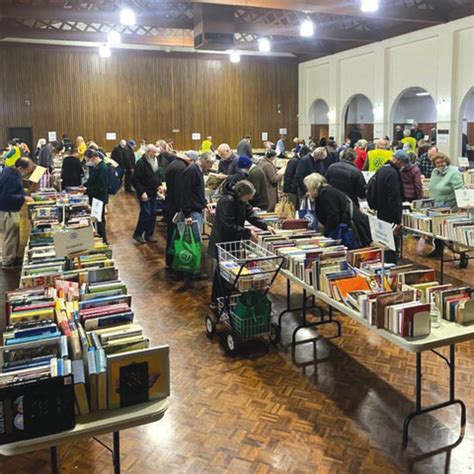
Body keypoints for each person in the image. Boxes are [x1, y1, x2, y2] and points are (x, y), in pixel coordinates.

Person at [208, 180, 273, 308]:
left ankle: (224, 298)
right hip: (222, 241)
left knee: (227, 270)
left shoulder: (240, 200)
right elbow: (228, 225)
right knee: (222, 271)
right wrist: (247, 233)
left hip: (231, 241)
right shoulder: (227, 201)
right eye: (249, 196)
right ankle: (217, 300)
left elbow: (250, 215)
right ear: (242, 193)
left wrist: (266, 226)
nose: (250, 199)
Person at [304, 173, 370, 247]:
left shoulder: (326, 193)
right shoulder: (326, 191)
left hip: (348, 230)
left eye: (308, 188)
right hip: (348, 226)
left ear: (312, 186)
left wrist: (326, 234)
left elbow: (333, 216)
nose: (307, 190)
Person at [428, 153, 464, 258]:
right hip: (437, 204)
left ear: (446, 161)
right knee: (436, 228)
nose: (440, 164)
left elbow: (459, 188)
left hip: (450, 205)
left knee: (449, 231)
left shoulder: (453, 172)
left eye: (442, 162)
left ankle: (461, 254)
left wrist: (461, 204)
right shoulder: (435, 172)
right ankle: (438, 249)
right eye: (437, 163)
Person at [0, 158, 34, 268]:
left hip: (10, 209)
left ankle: (12, 257)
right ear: (20, 168)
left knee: (14, 234)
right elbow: (6, 196)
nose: (27, 172)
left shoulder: (11, 172)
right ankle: (7, 261)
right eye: (27, 170)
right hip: (7, 210)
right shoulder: (11, 177)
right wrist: (23, 197)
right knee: (10, 235)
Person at [164, 151, 195, 269]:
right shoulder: (181, 168)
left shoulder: (174, 164)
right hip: (175, 207)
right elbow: (181, 191)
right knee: (176, 237)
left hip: (171, 204)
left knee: (172, 235)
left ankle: (170, 261)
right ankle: (175, 263)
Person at [373, 152, 404, 263]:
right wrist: (397, 218)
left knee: (384, 238)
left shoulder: (382, 169)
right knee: (392, 241)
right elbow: (394, 196)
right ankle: (391, 262)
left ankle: (384, 259)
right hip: (391, 213)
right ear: (399, 162)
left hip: (381, 210)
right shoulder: (393, 174)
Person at [131, 145, 161, 244]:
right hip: (144, 193)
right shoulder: (141, 163)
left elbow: (157, 175)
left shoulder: (155, 161)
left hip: (153, 192)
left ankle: (149, 235)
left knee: (153, 213)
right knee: (145, 213)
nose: (155, 155)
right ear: (148, 152)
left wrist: (159, 185)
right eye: (153, 152)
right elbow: (135, 180)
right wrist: (142, 192)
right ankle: (138, 234)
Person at [83, 149, 108, 243]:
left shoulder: (102, 168)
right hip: (95, 197)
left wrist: (88, 190)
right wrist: (85, 186)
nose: (87, 163)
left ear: (93, 158)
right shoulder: (97, 167)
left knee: (99, 220)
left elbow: (101, 187)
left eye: (87, 160)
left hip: (99, 199)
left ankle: (102, 240)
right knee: (96, 219)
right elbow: (92, 182)